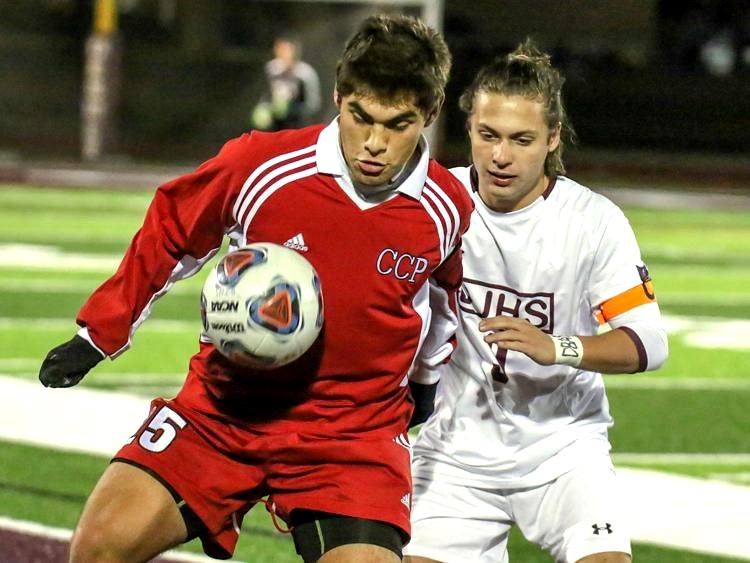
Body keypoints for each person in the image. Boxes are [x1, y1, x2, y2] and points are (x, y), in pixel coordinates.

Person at [38, 14, 473, 563]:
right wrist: (98, 335)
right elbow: (172, 229)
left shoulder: (446, 205)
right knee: (98, 549)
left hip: (350, 437)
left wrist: (428, 381)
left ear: (430, 114)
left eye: (398, 124)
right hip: (223, 415)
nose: (374, 143)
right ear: (338, 94)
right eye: (360, 117)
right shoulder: (259, 165)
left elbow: (444, 302)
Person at [404, 39, 669, 563]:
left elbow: (648, 344)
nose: (501, 156)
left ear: (551, 138)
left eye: (521, 140)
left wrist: (558, 348)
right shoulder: (433, 201)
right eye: (488, 136)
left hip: (564, 451)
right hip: (454, 454)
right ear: (469, 132)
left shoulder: (592, 221)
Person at [251, 35, 322, 131]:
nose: (283, 54)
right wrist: (264, 108)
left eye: (286, 50)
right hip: (275, 126)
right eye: (280, 49)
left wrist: (291, 109)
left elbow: (313, 104)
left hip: (297, 126)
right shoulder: (271, 70)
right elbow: (264, 94)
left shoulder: (305, 74)